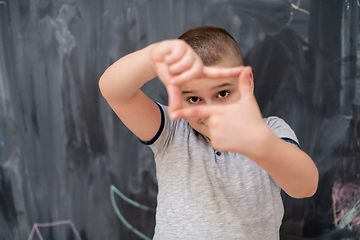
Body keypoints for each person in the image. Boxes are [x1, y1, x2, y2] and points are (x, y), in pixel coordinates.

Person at [99, 26, 318, 239]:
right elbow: (114, 91)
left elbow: (305, 187)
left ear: (247, 83)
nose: (211, 110)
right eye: (194, 99)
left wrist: (260, 144)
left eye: (222, 93)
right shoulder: (171, 130)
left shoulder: (270, 131)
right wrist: (152, 59)